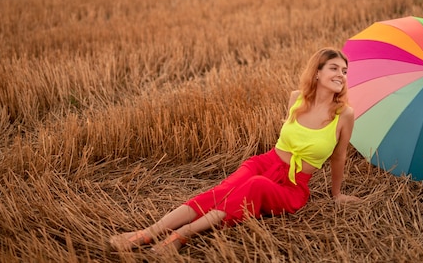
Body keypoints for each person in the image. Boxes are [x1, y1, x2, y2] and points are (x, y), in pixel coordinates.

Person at [109, 48, 359, 255]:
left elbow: (339, 156)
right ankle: (148, 232)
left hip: (293, 186)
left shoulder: (344, 115)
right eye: (334, 68)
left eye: (345, 71)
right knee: (219, 192)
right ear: (317, 72)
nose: (341, 75)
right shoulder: (296, 99)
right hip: (265, 162)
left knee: (255, 186)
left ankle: (183, 234)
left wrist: (336, 194)